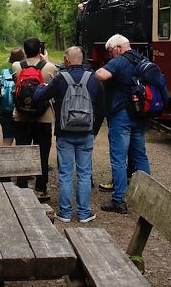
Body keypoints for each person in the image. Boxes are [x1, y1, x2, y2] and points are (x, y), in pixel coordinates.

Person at [37, 46, 106, 223]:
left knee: (65, 174)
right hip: (86, 133)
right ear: (82, 59)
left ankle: (65, 213)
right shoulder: (94, 80)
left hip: (64, 132)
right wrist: (94, 131)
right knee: (84, 173)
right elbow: (102, 108)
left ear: (67, 61)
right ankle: (84, 213)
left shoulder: (60, 79)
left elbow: (41, 97)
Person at [94, 33, 152, 214]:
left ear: (118, 48)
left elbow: (102, 75)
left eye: (110, 51)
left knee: (119, 158)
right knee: (140, 156)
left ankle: (119, 200)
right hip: (139, 114)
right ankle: (147, 197)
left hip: (122, 115)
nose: (110, 55)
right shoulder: (141, 59)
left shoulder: (119, 61)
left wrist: (94, 72)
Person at [12, 37, 58, 201]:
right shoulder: (50, 67)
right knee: (42, 153)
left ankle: (22, 184)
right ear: (40, 50)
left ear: (24, 51)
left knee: (22, 150)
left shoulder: (17, 66)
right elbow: (53, 87)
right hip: (43, 116)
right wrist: (47, 60)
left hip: (21, 115)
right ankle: (41, 188)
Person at [0, 48, 25, 147]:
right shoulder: (25, 73)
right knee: (21, 143)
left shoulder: (3, 73)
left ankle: (4, 162)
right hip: (21, 112)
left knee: (7, 142)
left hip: (5, 111)